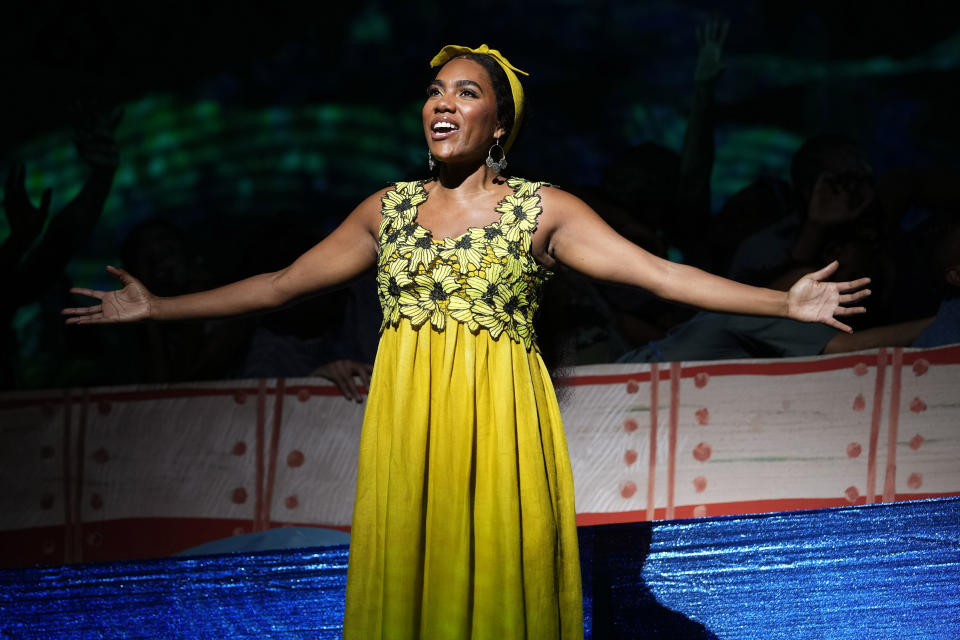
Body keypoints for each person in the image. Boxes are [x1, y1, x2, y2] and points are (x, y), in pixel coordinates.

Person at [62, 44, 870, 639]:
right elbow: (283, 284)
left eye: (467, 92)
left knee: (495, 580)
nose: (442, 103)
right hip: (408, 425)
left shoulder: (542, 209)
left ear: (499, 123)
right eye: (435, 91)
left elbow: (656, 274)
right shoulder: (388, 209)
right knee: (412, 580)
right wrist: (159, 308)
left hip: (500, 423)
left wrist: (783, 299)